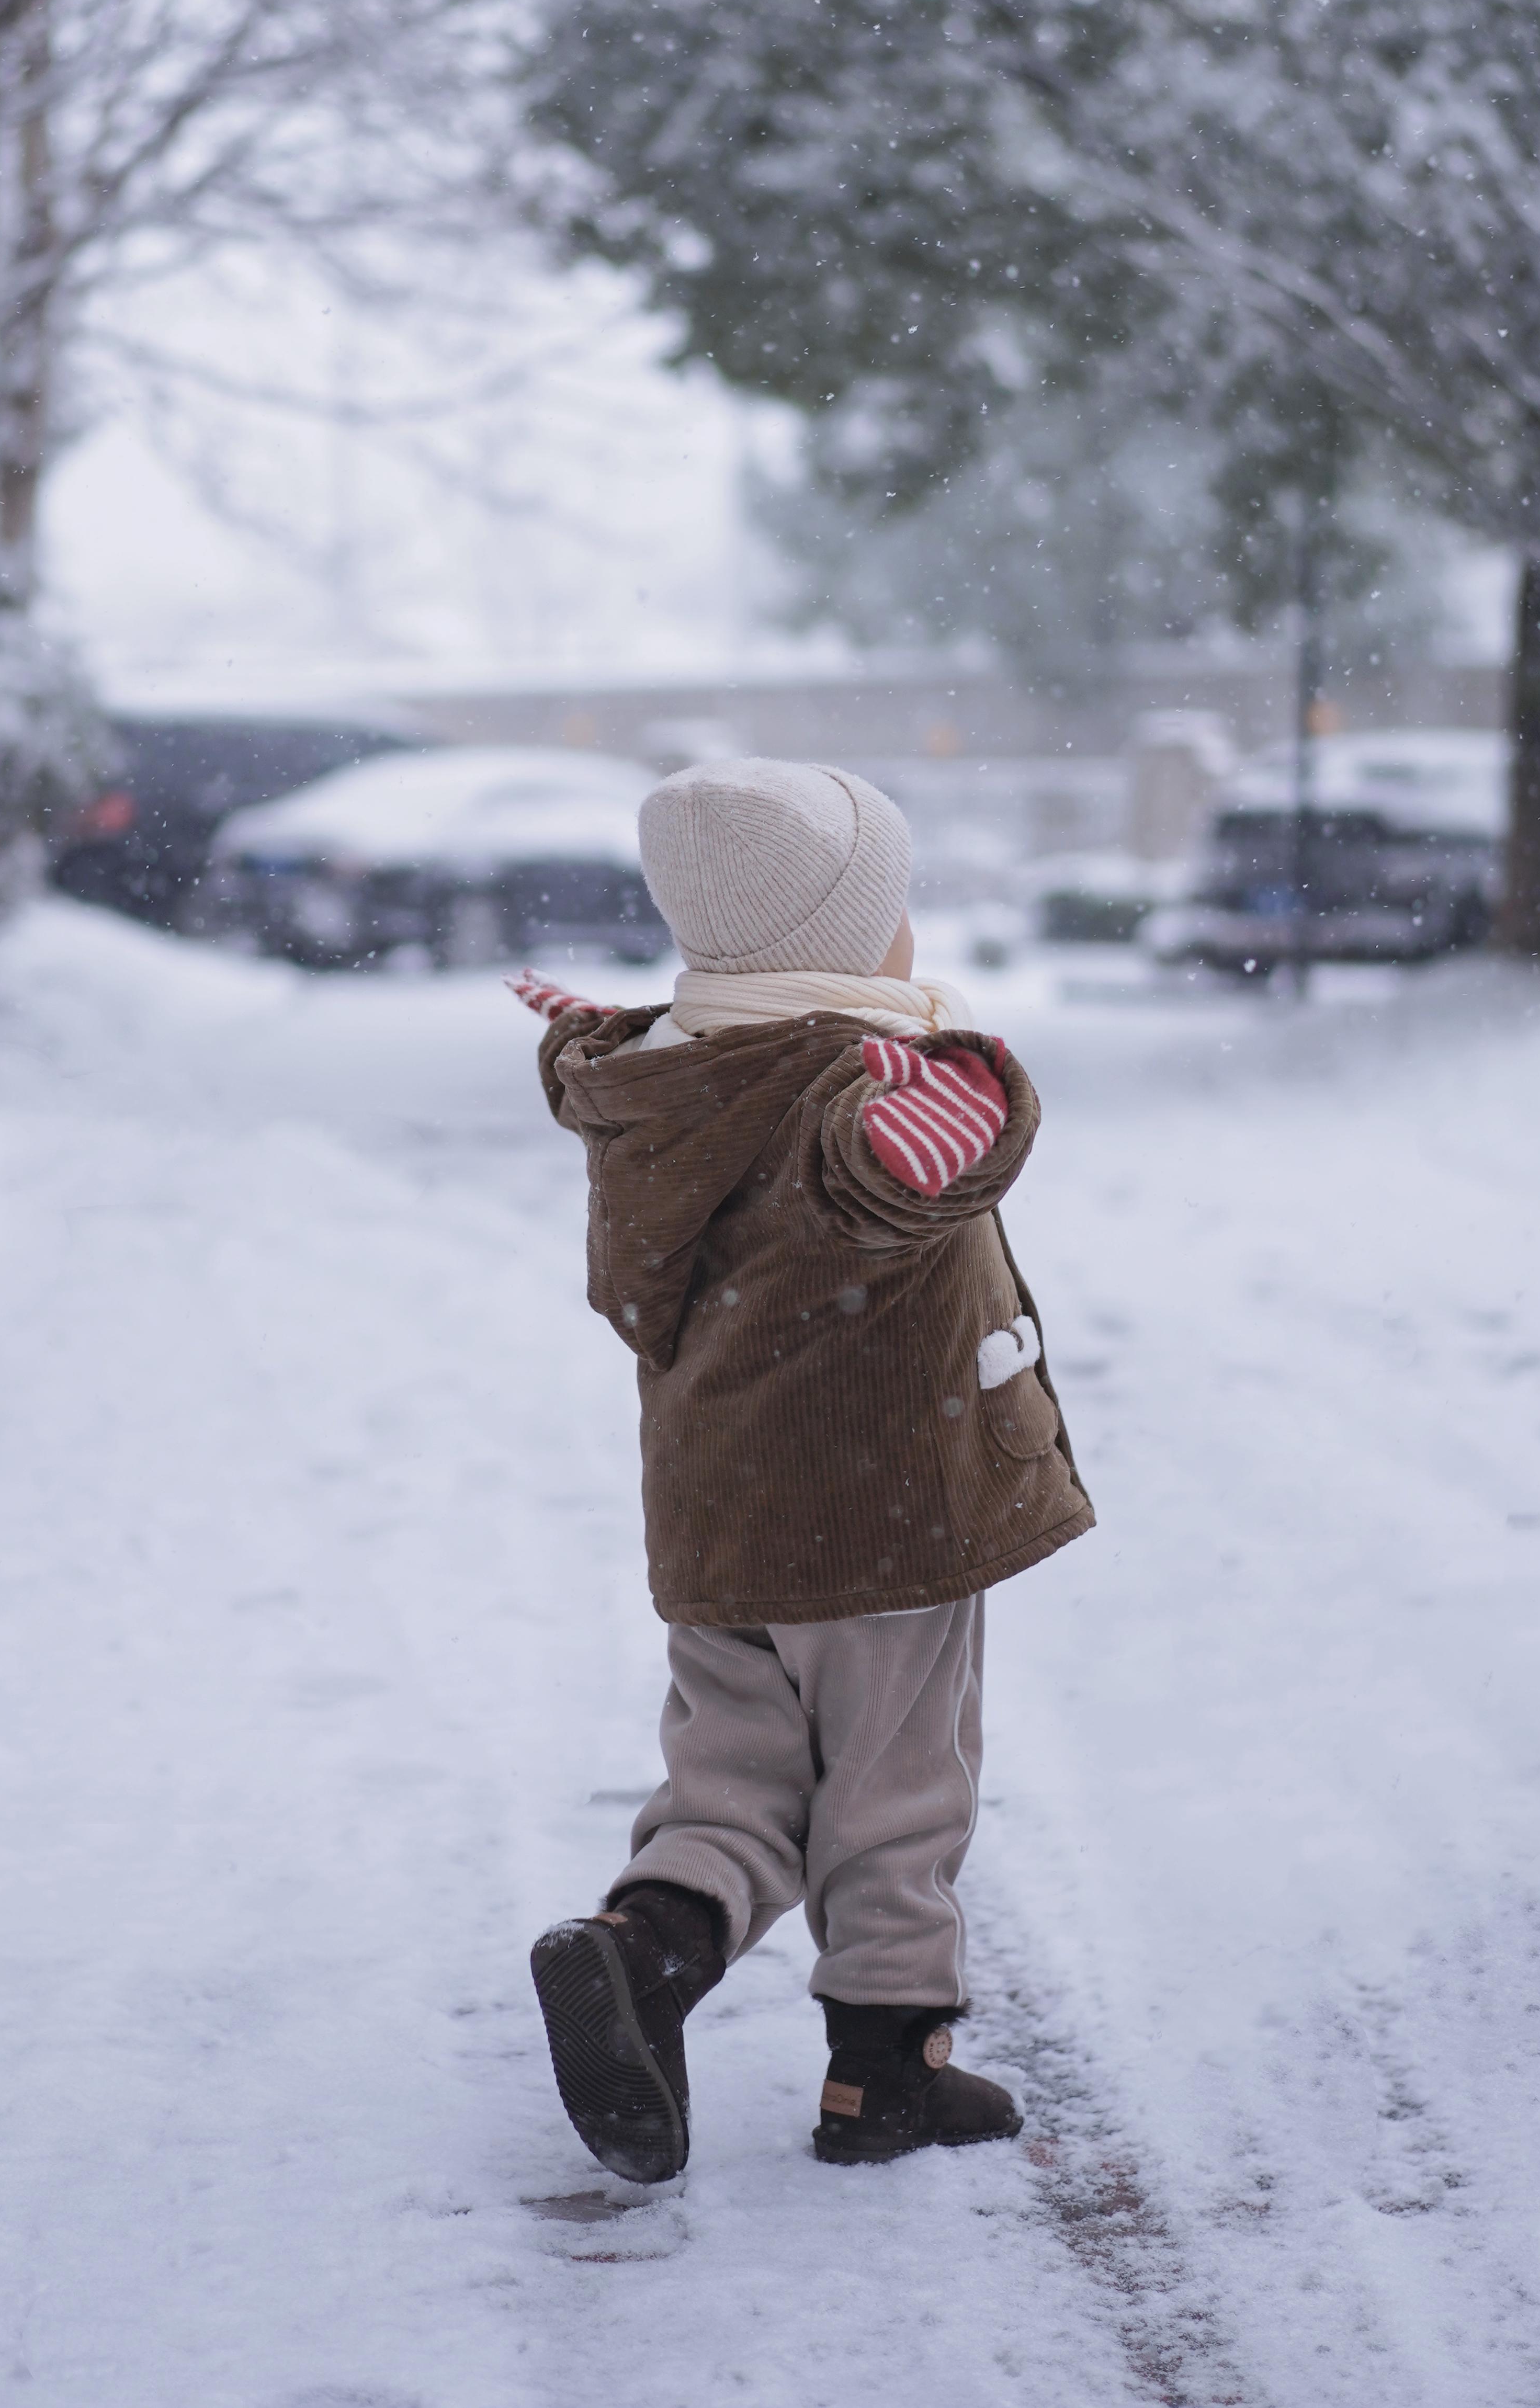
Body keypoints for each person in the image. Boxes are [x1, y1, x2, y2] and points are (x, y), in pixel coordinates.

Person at [512, 756, 1093, 2177]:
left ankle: (644, 1950)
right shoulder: (852, 1096)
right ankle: (887, 2078)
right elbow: (903, 1166)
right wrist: (955, 1075)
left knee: (734, 1782)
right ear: (841, 945)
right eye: (888, 915)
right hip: (880, 1520)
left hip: (718, 1525)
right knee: (897, 1792)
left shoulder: (673, 1084)